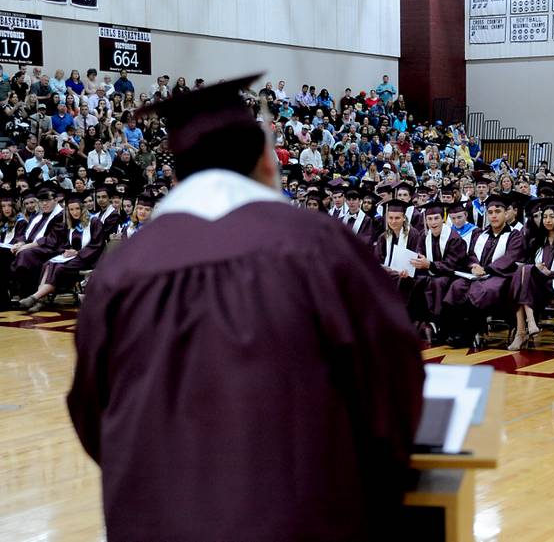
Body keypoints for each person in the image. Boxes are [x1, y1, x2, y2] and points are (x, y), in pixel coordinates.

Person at [67, 75, 424, 541]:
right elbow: (391, 379)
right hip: (300, 517)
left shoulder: (121, 270)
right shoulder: (317, 245)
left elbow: (92, 410)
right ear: (265, 161)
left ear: (174, 175)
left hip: (153, 520)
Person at [442, 194, 525, 348]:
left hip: (501, 276)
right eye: (490, 212)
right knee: (457, 286)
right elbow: (471, 254)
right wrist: (474, 266)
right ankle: (453, 332)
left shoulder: (514, 235)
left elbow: (510, 258)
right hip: (477, 275)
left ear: (506, 213)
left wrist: (486, 269)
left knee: (484, 290)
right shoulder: (480, 233)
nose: (493, 215)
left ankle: (468, 334)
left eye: (497, 211)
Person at [18, 193, 105, 312]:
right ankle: (40, 300)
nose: (75, 212)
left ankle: (35, 297)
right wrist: (66, 251)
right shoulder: (70, 224)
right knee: (48, 264)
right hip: (72, 257)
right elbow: (63, 243)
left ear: (83, 208)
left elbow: (97, 245)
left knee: (58, 268)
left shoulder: (95, 222)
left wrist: (78, 253)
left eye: (77, 209)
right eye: (71, 209)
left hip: (88, 259)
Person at [508, 198, 554, 351]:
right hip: (534, 286)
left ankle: (522, 331)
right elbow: (526, 265)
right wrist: (536, 268)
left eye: (551, 216)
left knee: (523, 273)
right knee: (523, 270)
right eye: (545, 217)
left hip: (552, 286)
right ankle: (527, 324)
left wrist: (551, 272)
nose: (547, 220)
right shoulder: (535, 242)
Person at [408, 201, 467, 339]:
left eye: (436, 218)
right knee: (416, 281)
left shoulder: (453, 238)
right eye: (429, 219)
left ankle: (439, 323)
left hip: (452, 275)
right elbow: (420, 255)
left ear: (443, 219)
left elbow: (451, 265)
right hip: (431, 273)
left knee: (437, 283)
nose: (433, 222)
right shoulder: (424, 236)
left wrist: (430, 265)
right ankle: (420, 323)